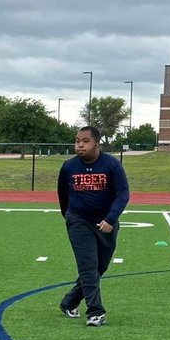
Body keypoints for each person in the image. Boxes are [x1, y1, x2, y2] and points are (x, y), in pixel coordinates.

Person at [56, 125, 129, 327]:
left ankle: (69, 302)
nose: (80, 145)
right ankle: (95, 311)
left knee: (99, 268)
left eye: (85, 141)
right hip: (78, 221)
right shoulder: (68, 167)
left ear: (97, 143)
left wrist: (110, 219)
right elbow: (62, 194)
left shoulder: (112, 165)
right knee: (88, 266)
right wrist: (70, 217)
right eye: (77, 141)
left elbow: (123, 194)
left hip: (106, 223)